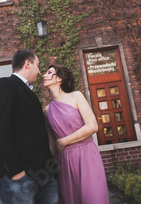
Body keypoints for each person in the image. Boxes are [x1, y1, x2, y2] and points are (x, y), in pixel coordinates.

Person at [0, 50, 58, 204]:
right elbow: (0, 129)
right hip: (21, 176)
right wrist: (15, 171)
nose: (40, 71)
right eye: (38, 65)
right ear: (28, 63)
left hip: (44, 174)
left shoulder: (30, 93)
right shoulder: (6, 84)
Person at [43, 64, 110, 204]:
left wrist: (64, 141)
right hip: (64, 162)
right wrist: (48, 170)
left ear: (59, 78)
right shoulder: (47, 111)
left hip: (86, 154)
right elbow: (52, 145)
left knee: (93, 198)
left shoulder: (76, 96)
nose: (44, 75)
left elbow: (92, 126)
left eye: (49, 73)